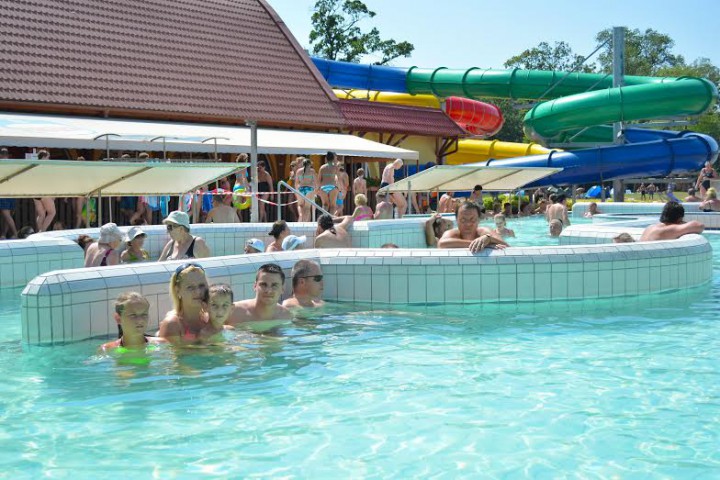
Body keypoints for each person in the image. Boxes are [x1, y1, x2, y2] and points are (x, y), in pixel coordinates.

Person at [158, 263, 210, 344]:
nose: (198, 292)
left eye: (201, 286)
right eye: (190, 287)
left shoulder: (211, 318)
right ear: (178, 291)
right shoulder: (172, 324)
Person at [225, 263, 292, 327]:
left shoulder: (285, 316)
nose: (268, 291)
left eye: (274, 285)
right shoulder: (233, 312)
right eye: (263, 284)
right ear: (255, 286)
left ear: (282, 289)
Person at [100, 292, 165, 352]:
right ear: (118, 319)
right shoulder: (107, 349)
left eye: (144, 315)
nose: (140, 320)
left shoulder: (162, 344)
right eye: (133, 315)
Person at [437, 201, 508, 253]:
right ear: (456, 220)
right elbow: (441, 244)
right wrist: (482, 244)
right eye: (463, 220)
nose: (468, 224)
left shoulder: (485, 232)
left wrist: (489, 239)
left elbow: (507, 247)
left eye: (472, 220)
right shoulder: (452, 233)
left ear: (479, 220)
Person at [640, 202, 705, 241]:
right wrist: (682, 223)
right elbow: (699, 226)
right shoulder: (670, 229)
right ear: (680, 218)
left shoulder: (650, 227)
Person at [33, 150, 56, 232]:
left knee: (41, 215)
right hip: (44, 191)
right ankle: (42, 232)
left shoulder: (34, 166)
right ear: (43, 157)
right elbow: (49, 181)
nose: (49, 160)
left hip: (35, 192)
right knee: (52, 213)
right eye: (48, 157)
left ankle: (39, 232)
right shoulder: (46, 167)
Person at [0, 148, 18, 239]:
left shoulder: (1, 164)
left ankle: (15, 234)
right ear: (7, 155)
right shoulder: (12, 164)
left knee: (7, 216)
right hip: (12, 192)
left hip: (3, 192)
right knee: (8, 216)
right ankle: (3, 234)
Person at [294, 157, 318, 222]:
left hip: (301, 189)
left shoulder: (298, 171)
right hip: (309, 189)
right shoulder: (312, 171)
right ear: (309, 164)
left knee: (300, 205)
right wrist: (316, 192)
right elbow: (316, 183)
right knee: (307, 208)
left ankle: (301, 216)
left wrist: (296, 192)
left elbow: (296, 183)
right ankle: (305, 221)